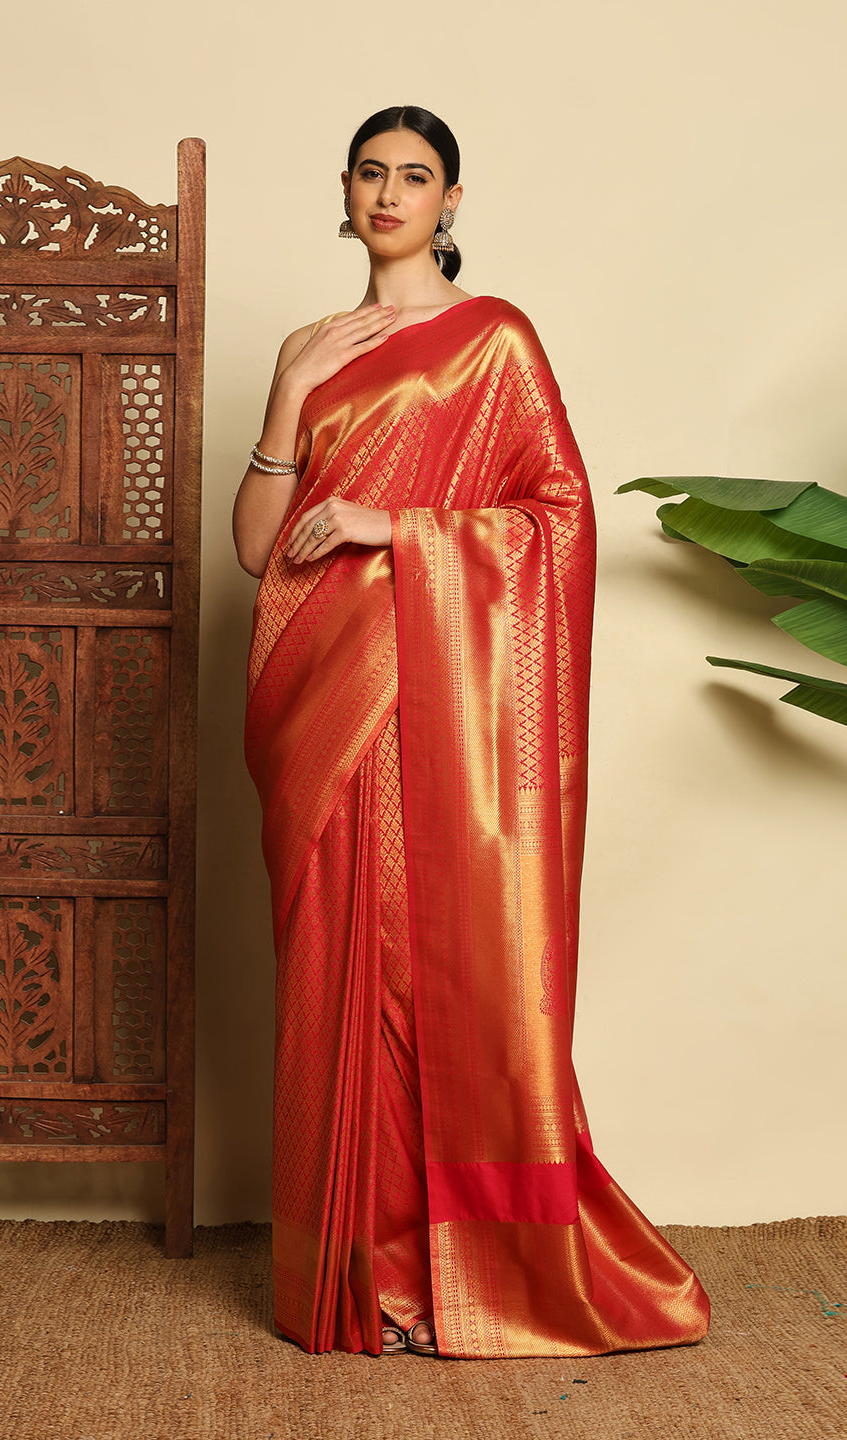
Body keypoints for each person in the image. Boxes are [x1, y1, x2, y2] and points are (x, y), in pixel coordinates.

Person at [234, 104, 710, 1359]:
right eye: (371, 172)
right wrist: (286, 395)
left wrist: (397, 529)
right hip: (319, 698)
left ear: (451, 200)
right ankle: (357, 1271)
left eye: (416, 175)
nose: (390, 193)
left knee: (418, 966)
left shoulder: (494, 340)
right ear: (345, 190)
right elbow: (254, 550)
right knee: (338, 971)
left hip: (431, 699)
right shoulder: (306, 347)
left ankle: (437, 1277)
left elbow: (561, 514)